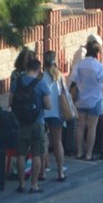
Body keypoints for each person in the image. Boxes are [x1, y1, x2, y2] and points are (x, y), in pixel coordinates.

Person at [71, 35, 103, 162]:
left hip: (81, 99)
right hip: (94, 100)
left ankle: (79, 151)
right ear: (97, 52)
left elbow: (73, 79)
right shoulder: (98, 66)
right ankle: (89, 154)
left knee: (80, 126)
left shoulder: (80, 64)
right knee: (92, 127)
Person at [12, 58, 50, 190]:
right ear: (38, 70)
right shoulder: (41, 84)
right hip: (37, 122)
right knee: (36, 154)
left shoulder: (16, 83)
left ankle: (21, 184)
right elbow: (48, 105)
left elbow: (11, 103)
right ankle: (34, 185)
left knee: (21, 154)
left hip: (21, 123)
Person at [42, 50, 72, 183]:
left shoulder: (40, 77)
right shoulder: (59, 76)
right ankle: (60, 171)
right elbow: (65, 93)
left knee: (43, 143)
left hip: (43, 113)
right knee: (57, 142)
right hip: (57, 113)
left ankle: (42, 171)